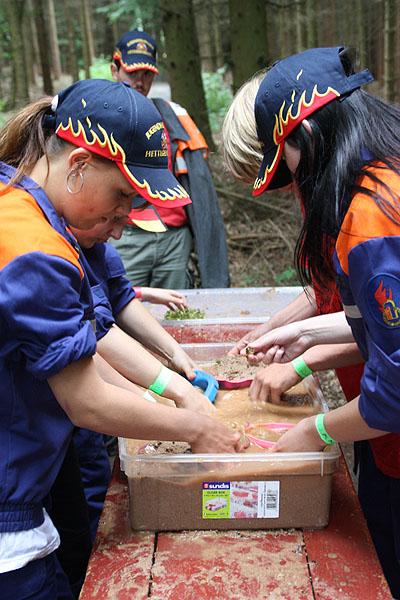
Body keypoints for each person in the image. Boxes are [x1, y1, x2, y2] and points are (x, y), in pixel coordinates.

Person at [0, 78, 247, 599]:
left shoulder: (21, 204)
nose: (120, 227)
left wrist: (170, 390)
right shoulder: (33, 248)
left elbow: (84, 348)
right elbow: (86, 399)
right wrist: (194, 428)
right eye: (121, 197)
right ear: (78, 165)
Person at [222, 46, 400, 598]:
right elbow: (373, 325)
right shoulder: (381, 174)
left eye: (287, 163)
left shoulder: (371, 217)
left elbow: (395, 386)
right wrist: (302, 333)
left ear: (308, 136)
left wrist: (315, 430)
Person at [110, 29, 230, 289]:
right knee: (121, 309)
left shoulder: (173, 118)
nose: (140, 81)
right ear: (115, 69)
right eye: (132, 72)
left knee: (177, 311)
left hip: (174, 240)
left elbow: (199, 187)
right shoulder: (99, 119)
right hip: (126, 238)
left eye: (147, 74)